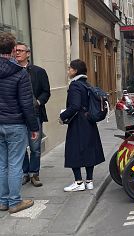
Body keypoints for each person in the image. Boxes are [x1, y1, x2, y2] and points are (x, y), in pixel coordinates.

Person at [0, 32, 39, 213]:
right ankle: (14, 202)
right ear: (14, 50)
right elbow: (26, 103)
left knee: (2, 164)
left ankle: (3, 201)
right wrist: (34, 127)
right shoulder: (20, 73)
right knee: (15, 163)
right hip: (15, 123)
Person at [59, 59, 105, 192]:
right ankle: (89, 181)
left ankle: (79, 182)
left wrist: (62, 116)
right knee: (89, 150)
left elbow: (75, 106)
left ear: (75, 71)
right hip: (89, 121)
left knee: (74, 150)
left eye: (69, 69)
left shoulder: (75, 86)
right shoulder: (86, 84)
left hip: (78, 123)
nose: (68, 71)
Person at [15, 42, 51, 187]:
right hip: (17, 116)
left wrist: (38, 102)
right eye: (15, 50)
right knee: (21, 147)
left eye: (20, 50)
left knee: (35, 147)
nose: (17, 53)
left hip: (35, 114)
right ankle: (25, 173)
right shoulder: (12, 70)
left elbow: (46, 91)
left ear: (28, 54)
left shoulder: (38, 71)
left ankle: (34, 173)